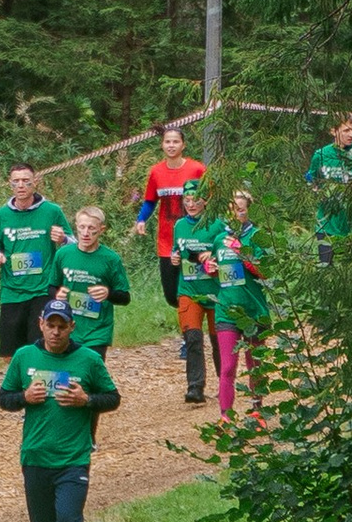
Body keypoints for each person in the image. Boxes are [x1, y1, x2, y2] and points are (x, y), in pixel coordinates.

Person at [0, 290, 119, 522]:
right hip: (35, 457)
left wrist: (86, 399)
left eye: (62, 326)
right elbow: (3, 398)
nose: (56, 332)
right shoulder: (23, 357)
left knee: (68, 521)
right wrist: (24, 396)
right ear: (41, 325)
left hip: (73, 458)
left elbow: (112, 398)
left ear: (72, 327)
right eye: (50, 325)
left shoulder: (89, 360)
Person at [0, 163, 74, 354]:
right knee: (9, 352)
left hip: (42, 289)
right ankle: (19, 381)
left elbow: (74, 245)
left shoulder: (52, 211)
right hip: (12, 290)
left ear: (36, 182)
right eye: (16, 181)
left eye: (26, 181)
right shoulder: (1, 215)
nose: (21, 185)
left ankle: (38, 381)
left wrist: (63, 239)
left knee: (40, 346)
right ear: (10, 184)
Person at [134, 122, 209, 316]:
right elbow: (150, 201)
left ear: (183, 145)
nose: (171, 145)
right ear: (162, 145)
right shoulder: (156, 172)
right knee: (170, 294)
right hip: (167, 240)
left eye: (176, 141)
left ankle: (191, 330)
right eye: (167, 141)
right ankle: (188, 322)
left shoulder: (197, 169)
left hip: (194, 239)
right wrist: (141, 220)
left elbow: (210, 199)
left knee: (195, 289)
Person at [212, 185, 273, 414]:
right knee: (227, 367)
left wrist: (243, 252)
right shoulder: (219, 239)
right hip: (226, 309)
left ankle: (257, 411)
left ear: (248, 211)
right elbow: (219, 272)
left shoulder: (257, 236)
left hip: (253, 310)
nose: (236, 214)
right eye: (232, 209)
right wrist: (209, 268)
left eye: (240, 210)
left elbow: (265, 271)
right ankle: (225, 418)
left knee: (255, 365)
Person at [168, 191, 226, 405]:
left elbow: (231, 251)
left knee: (218, 340)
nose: (191, 205)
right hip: (189, 289)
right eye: (187, 201)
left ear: (206, 201)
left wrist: (214, 257)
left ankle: (225, 383)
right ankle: (195, 387)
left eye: (196, 200)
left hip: (215, 290)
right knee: (192, 338)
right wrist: (174, 257)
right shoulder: (179, 226)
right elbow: (177, 251)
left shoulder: (218, 225)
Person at [54, 205, 133, 355]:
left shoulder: (111, 259)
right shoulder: (63, 254)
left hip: (97, 332)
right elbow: (51, 287)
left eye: (91, 228)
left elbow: (125, 297)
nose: (85, 233)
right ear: (76, 226)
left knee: (89, 374)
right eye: (82, 227)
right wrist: (57, 295)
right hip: (68, 328)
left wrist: (108, 294)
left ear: (101, 230)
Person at [306, 116, 352, 269]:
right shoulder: (321, 154)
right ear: (333, 131)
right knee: (325, 269)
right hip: (326, 224)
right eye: (346, 130)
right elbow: (311, 178)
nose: (351, 135)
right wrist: (315, 189)